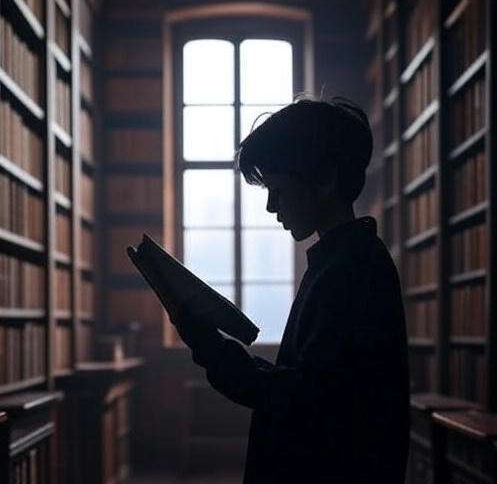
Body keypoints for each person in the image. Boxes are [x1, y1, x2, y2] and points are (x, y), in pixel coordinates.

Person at [171, 98, 410, 483]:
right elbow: (306, 387)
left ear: (326, 179)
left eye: (278, 189)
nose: (270, 206)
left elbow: (304, 403)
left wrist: (210, 346)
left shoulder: (350, 270)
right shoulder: (342, 261)